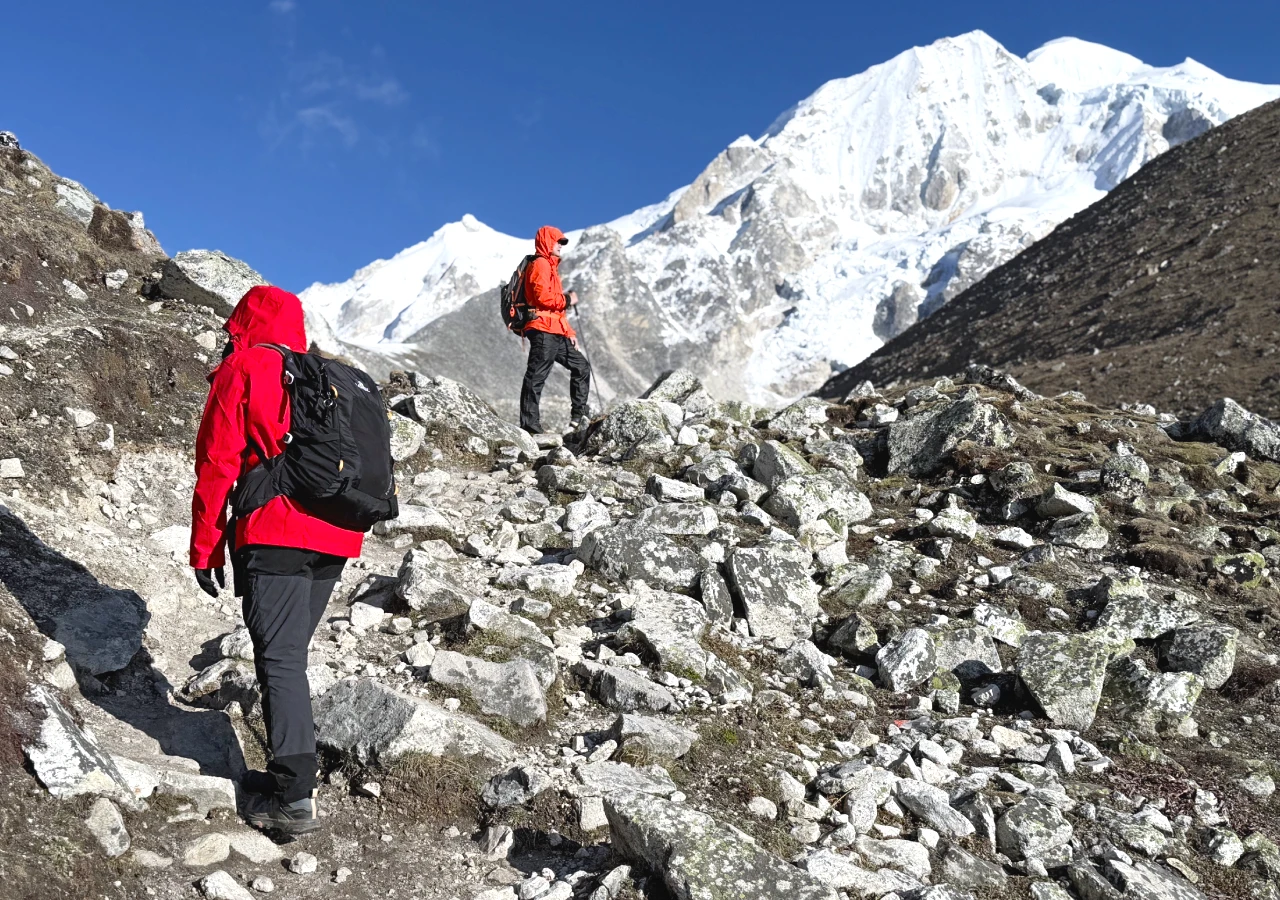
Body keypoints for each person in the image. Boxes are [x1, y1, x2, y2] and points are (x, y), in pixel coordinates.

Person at [189, 285, 362, 836]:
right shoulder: (323, 374)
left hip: (277, 532)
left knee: (280, 659)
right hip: (337, 534)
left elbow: (218, 462)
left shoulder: (244, 367)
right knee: (287, 656)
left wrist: (206, 547)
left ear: (244, 323)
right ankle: (290, 774)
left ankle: (294, 797)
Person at [518, 225, 592, 434]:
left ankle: (577, 418)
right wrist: (568, 299)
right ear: (546, 242)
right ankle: (530, 426)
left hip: (555, 330)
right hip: (542, 329)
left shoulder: (550, 267)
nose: (560, 245)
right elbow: (544, 298)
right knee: (536, 375)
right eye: (557, 241)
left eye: (562, 242)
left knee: (581, 367)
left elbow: (556, 309)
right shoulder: (540, 264)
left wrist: (569, 332)